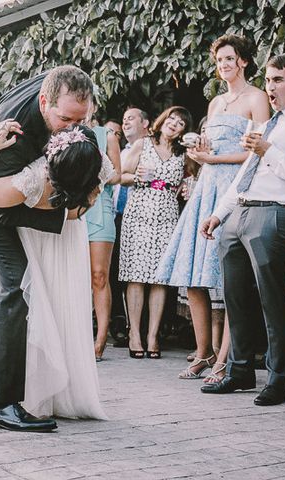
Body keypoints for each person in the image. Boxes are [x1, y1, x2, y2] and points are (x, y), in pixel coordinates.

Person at [0, 65, 94, 432]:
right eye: (65, 119)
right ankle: (0, 405)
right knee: (14, 283)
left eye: (81, 119)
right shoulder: (16, 131)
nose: (73, 128)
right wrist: (65, 208)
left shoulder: (63, 94)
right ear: (45, 102)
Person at [199, 53, 285, 406]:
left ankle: (278, 378)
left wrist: (268, 149)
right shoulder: (268, 124)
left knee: (272, 300)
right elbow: (246, 174)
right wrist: (218, 213)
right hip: (238, 214)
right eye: (269, 80)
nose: (270, 87)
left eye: (278, 80)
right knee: (236, 296)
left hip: (276, 214)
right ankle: (239, 370)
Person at [156, 34, 270, 381]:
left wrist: (213, 158)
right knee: (194, 273)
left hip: (234, 188)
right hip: (207, 185)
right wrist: (200, 153)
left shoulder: (257, 98)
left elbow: (258, 152)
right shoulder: (216, 103)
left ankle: (226, 358)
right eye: (220, 59)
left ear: (244, 61)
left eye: (230, 58)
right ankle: (203, 350)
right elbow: (207, 149)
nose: (224, 65)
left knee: (229, 277)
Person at [119, 106, 191, 359]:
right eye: (172, 118)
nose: (174, 124)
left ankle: (153, 336)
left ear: (183, 131)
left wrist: (185, 187)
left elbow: (189, 181)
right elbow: (120, 175)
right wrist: (136, 176)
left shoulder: (183, 153)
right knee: (136, 276)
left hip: (167, 216)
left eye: (181, 123)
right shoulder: (143, 144)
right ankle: (135, 334)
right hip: (138, 214)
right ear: (162, 120)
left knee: (159, 278)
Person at [109, 109, 150, 347]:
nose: (125, 121)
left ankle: (140, 328)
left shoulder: (150, 149)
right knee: (115, 271)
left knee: (136, 272)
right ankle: (119, 324)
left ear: (145, 123)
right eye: (123, 118)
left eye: (131, 118)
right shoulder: (120, 152)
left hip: (139, 216)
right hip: (117, 215)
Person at [85, 117, 121, 362]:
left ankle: (100, 339)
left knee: (99, 275)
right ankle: (77, 336)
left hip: (100, 207)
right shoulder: (63, 131)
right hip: (72, 209)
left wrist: (92, 173)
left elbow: (118, 176)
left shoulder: (106, 135)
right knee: (75, 276)